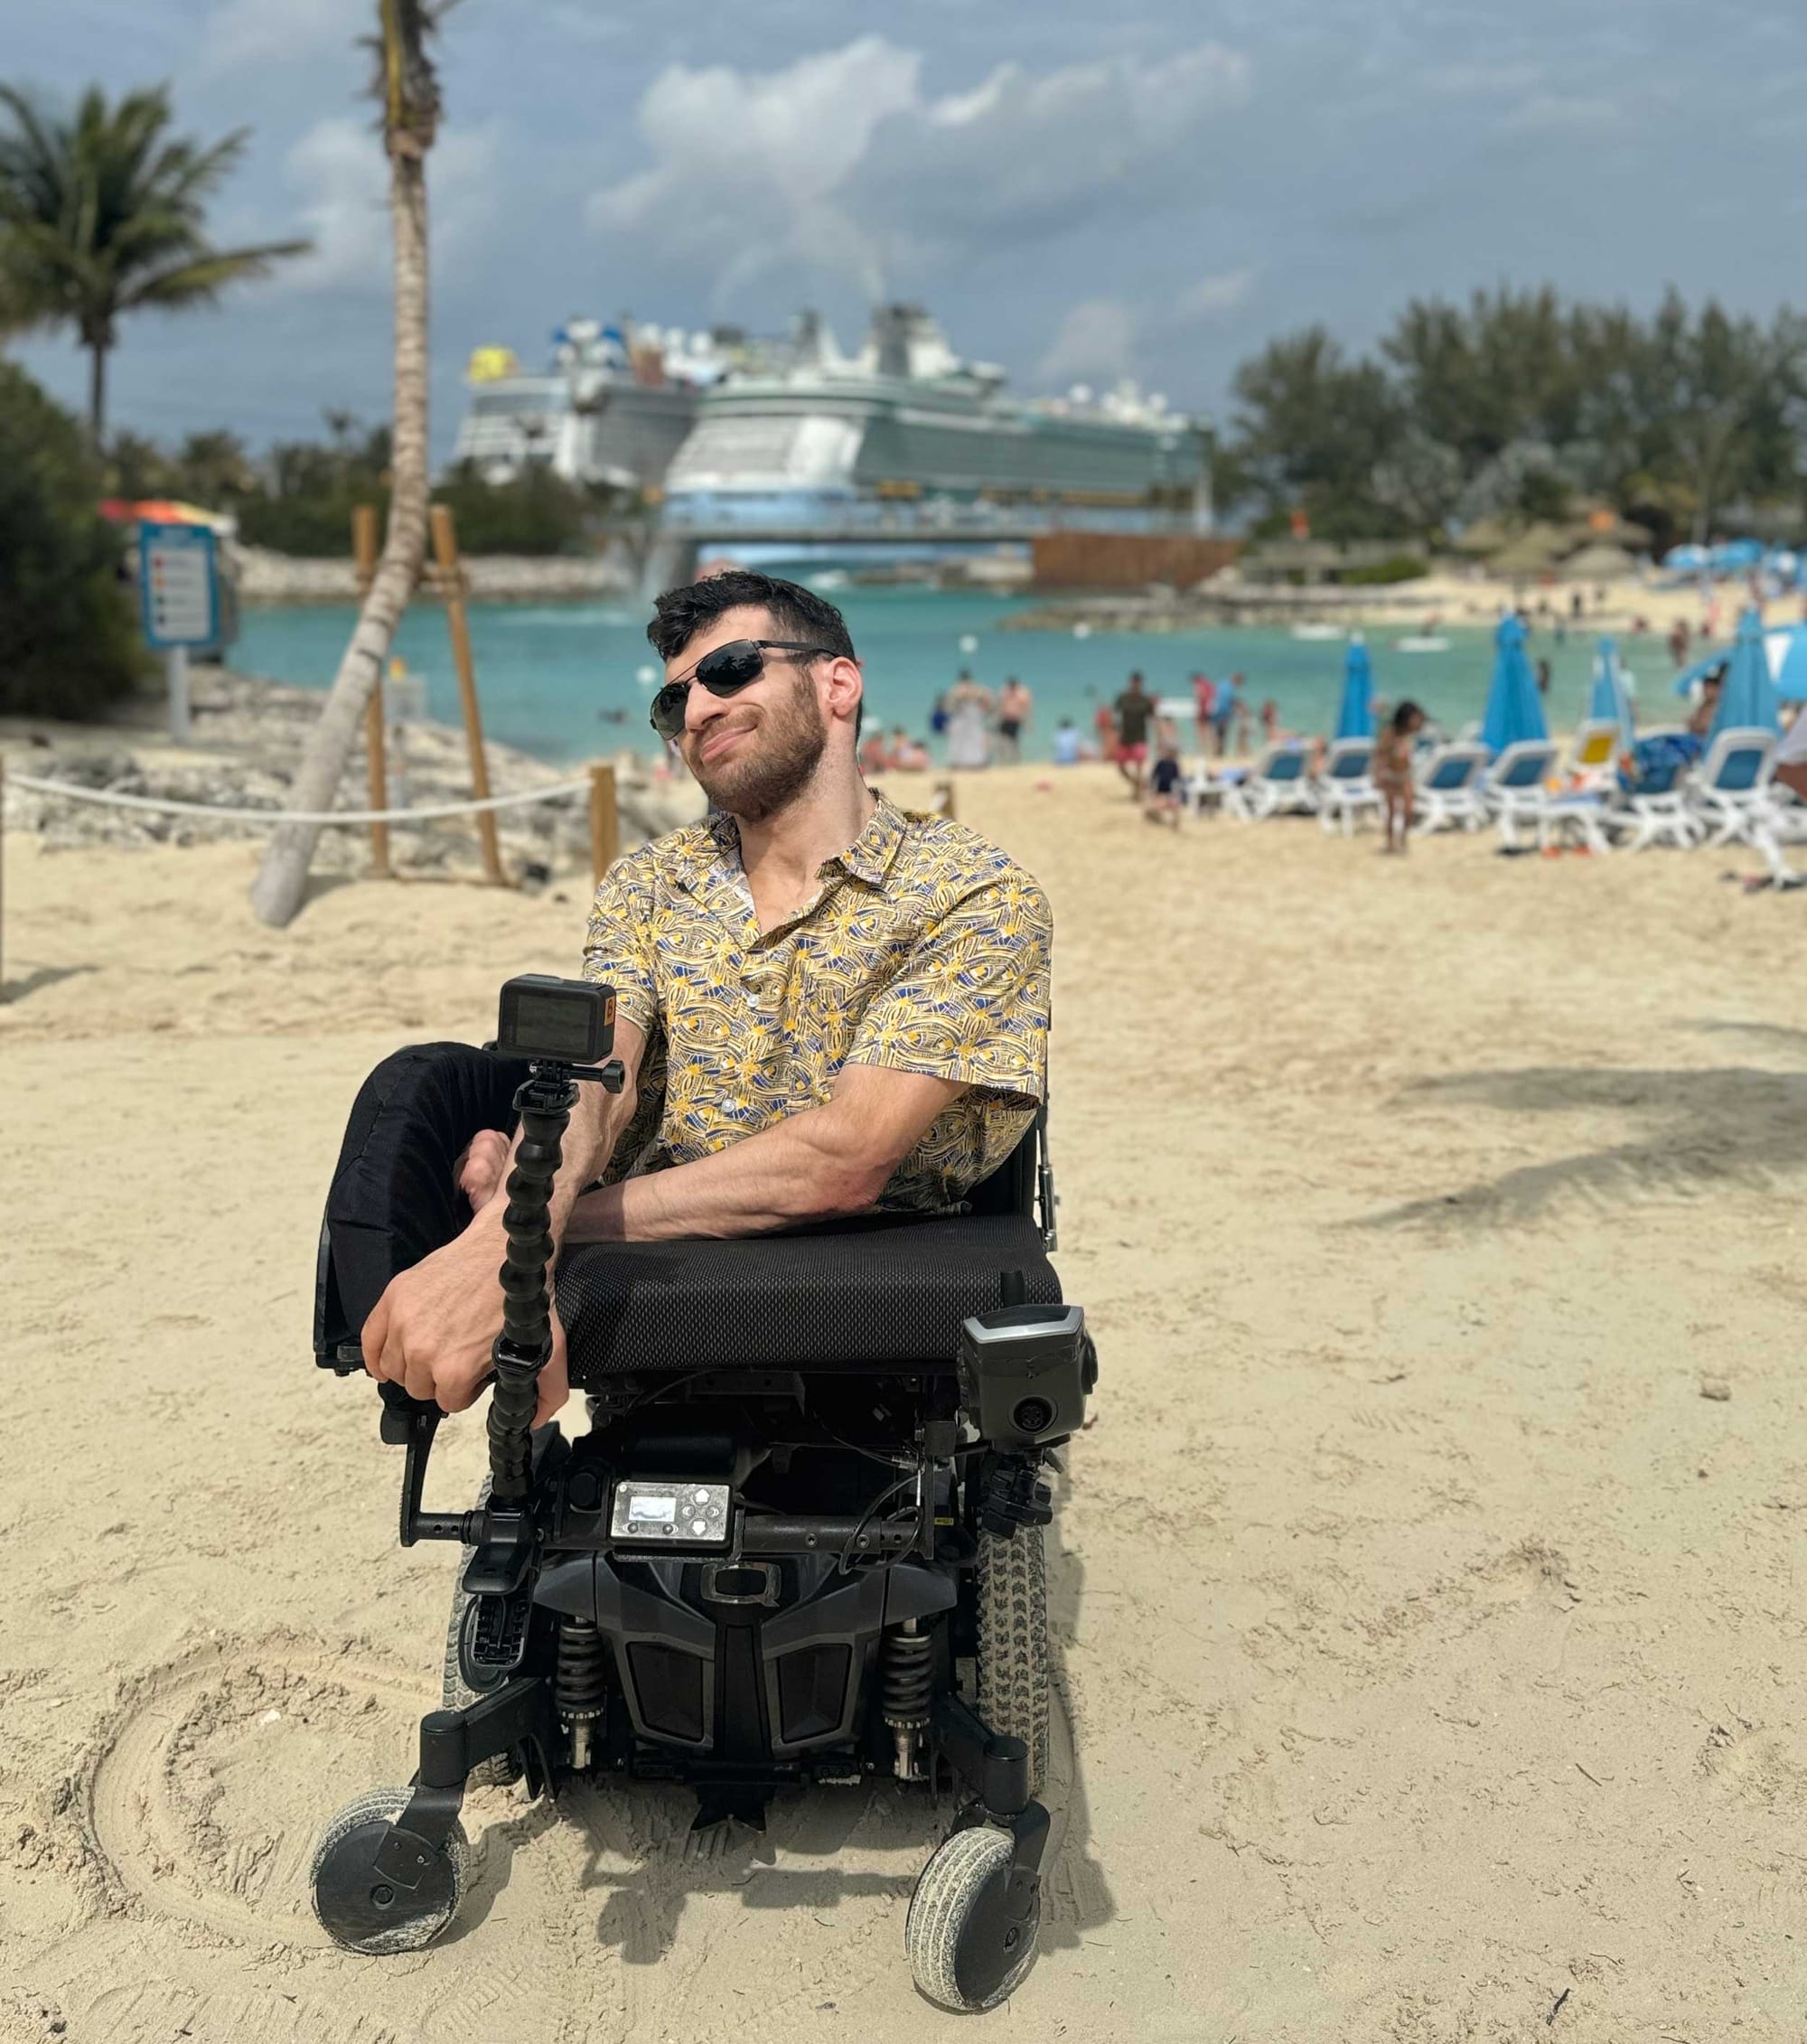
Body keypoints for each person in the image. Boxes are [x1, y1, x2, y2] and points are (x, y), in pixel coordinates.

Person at [360, 571, 1053, 1419]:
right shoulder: (652, 884)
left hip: (877, 1265)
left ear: (839, 682)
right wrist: (529, 1201)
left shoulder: (971, 894)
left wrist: (522, 1225)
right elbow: (596, 1081)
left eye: (729, 670)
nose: (695, 714)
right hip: (665, 1263)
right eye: (671, 701)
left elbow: (845, 1158)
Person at [1373, 699, 1425, 854]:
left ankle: (1402, 840)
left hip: (1405, 775)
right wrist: (1378, 775)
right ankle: (1390, 843)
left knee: (1408, 811)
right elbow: (1380, 754)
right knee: (1391, 812)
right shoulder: (1390, 733)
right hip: (1390, 775)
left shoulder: (1409, 734)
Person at [1112, 671, 1156, 794]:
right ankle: (1136, 783)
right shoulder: (1123, 698)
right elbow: (1115, 713)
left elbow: (1153, 719)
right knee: (1120, 766)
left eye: (1137, 682)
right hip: (1125, 737)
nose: (1135, 685)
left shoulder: (1145, 700)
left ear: (1141, 684)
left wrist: (1159, 737)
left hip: (1140, 737)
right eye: (1134, 682)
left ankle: (1136, 792)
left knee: (1139, 766)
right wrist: (1115, 730)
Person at [943, 670, 994, 770]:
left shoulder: (959, 689)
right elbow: (988, 697)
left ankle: (970, 761)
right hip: (969, 715)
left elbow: (949, 704)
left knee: (968, 739)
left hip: (967, 714)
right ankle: (968, 762)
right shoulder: (975, 688)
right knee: (968, 739)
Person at [1145, 743, 1184, 828]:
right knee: (1157, 805)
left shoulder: (1173, 764)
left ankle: (1174, 823)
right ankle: (1157, 819)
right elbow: (1153, 776)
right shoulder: (1161, 763)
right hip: (1161, 790)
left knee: (1173, 805)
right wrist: (1151, 788)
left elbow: (1178, 778)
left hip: (1168, 790)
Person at [996, 676, 1033, 764]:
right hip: (1005, 719)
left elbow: (1027, 709)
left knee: (1014, 742)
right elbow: (1000, 706)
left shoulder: (1022, 693)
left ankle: (1016, 760)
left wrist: (1028, 722)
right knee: (1002, 741)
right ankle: (1002, 760)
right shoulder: (1004, 691)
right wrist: (997, 719)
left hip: (1016, 720)